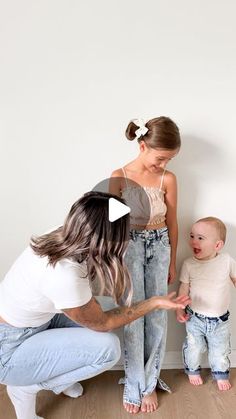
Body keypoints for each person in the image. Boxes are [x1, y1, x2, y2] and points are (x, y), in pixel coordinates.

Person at [0, 191, 190, 419]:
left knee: (108, 307)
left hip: (37, 321)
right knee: (108, 349)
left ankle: (56, 374)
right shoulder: (65, 275)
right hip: (9, 349)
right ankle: (27, 386)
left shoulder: (64, 234)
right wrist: (155, 302)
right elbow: (103, 322)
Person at [109, 116, 181, 413]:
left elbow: (173, 222)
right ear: (142, 145)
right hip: (129, 248)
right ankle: (134, 381)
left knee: (157, 317)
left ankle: (149, 383)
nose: (163, 164)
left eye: (169, 159)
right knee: (133, 315)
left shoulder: (169, 179)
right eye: (160, 157)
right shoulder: (119, 176)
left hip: (160, 246)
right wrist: (112, 264)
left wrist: (172, 261)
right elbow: (110, 225)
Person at [176, 216, 236, 391]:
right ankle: (192, 370)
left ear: (217, 245)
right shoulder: (189, 264)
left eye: (200, 238)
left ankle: (220, 373)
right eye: (192, 236)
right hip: (195, 318)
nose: (194, 241)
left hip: (221, 321)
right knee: (194, 347)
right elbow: (183, 289)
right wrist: (179, 309)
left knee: (220, 349)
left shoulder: (227, 261)